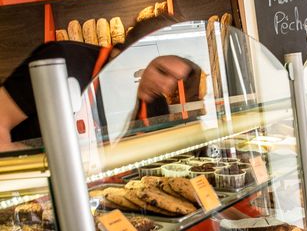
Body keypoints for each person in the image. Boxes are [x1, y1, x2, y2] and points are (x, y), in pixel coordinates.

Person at [0, 13, 200, 152]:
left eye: (176, 79)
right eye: (162, 71)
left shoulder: (156, 106)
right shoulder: (62, 62)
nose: (166, 88)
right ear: (131, 51)